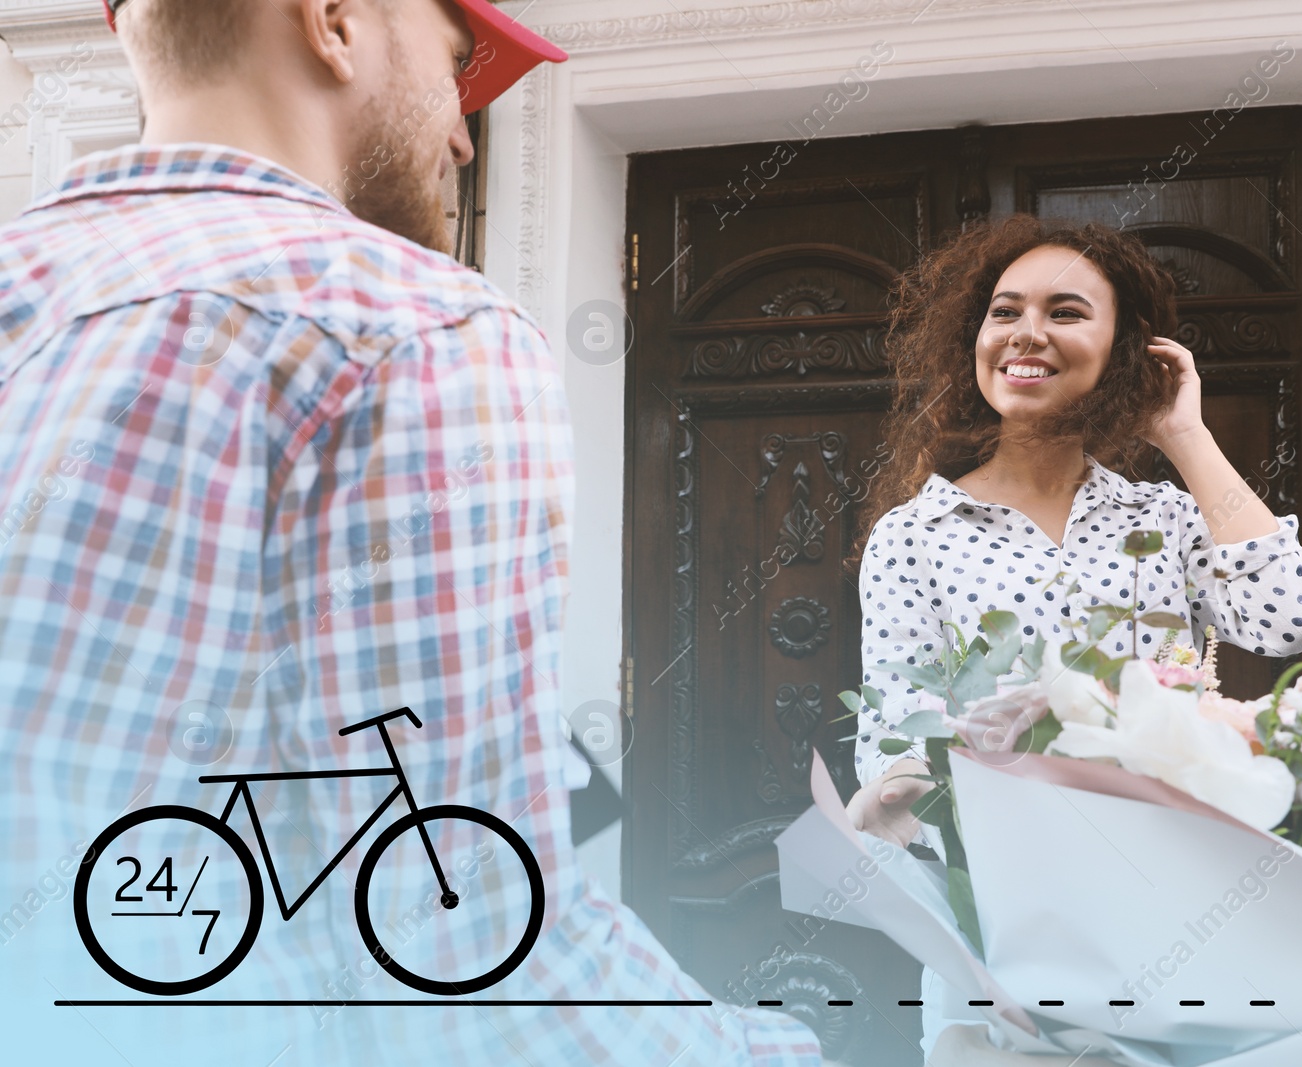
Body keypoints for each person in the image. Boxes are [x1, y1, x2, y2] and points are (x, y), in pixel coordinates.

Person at [0, 1, 821, 1064]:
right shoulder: (410, 329)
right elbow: (461, 961)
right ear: (335, 22)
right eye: (455, 66)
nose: (464, 133)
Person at [842, 216, 1302, 1059]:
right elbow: (894, 721)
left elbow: (1293, 618)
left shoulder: (1166, 518)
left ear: (1125, 350)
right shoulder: (915, 533)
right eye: (1005, 311)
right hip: (1001, 925)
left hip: (1179, 909)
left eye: (1066, 311)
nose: (1027, 332)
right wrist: (899, 786)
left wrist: (1184, 434)